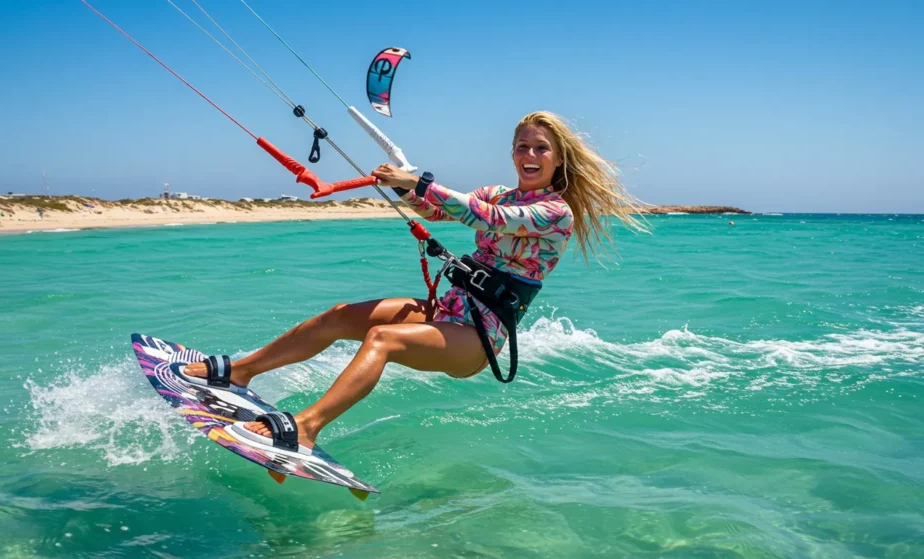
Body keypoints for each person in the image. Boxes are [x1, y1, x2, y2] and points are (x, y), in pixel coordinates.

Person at [173, 111, 643, 456]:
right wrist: (406, 189)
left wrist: (417, 183)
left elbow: (486, 218)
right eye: (522, 146)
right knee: (341, 316)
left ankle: (307, 426)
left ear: (559, 159)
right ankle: (241, 371)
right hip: (449, 310)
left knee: (383, 339)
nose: (530, 155)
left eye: (541, 148)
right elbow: (439, 211)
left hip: (479, 337)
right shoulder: (498, 192)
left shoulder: (555, 212)